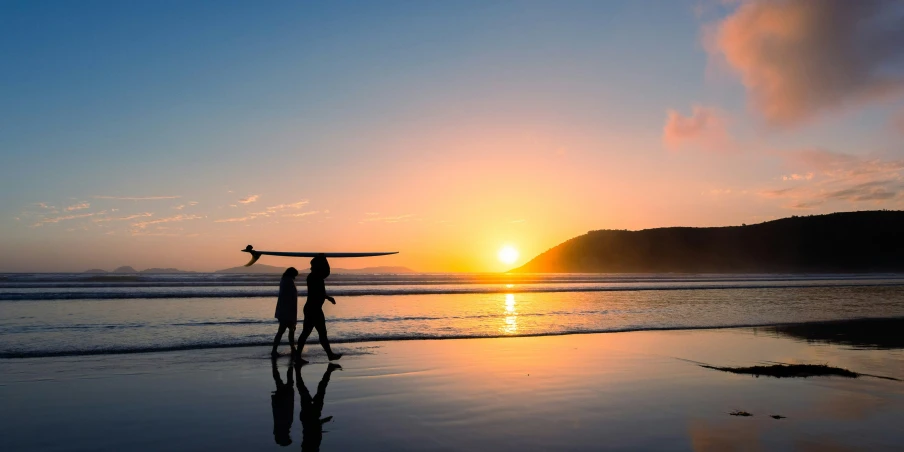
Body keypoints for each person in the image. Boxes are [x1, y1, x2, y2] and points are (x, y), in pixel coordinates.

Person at [296, 255, 342, 362]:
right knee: (310, 333)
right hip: (313, 310)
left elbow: (320, 291)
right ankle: (298, 357)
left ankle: (329, 355)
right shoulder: (314, 277)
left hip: (314, 309)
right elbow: (327, 272)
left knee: (318, 333)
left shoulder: (316, 276)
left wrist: (328, 298)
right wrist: (324, 258)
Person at [296, 362, 341, 451]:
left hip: (309, 415)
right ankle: (298, 370)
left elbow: (315, 428)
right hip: (311, 416)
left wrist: (323, 421)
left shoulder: (314, 444)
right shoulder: (314, 443)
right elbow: (316, 427)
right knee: (309, 390)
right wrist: (324, 421)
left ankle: (297, 370)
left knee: (312, 390)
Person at [272, 267, 300, 358]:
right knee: (287, 331)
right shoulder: (288, 282)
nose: (295, 277)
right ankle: (290, 350)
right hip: (287, 311)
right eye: (295, 275)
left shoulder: (284, 280)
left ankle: (291, 349)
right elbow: (290, 298)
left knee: (284, 331)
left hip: (284, 310)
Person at [270, 357, 295, 446]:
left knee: (283, 381)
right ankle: (276, 365)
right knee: (280, 380)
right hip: (282, 400)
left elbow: (284, 410)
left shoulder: (283, 426)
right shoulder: (282, 426)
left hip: (283, 400)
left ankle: (289, 363)